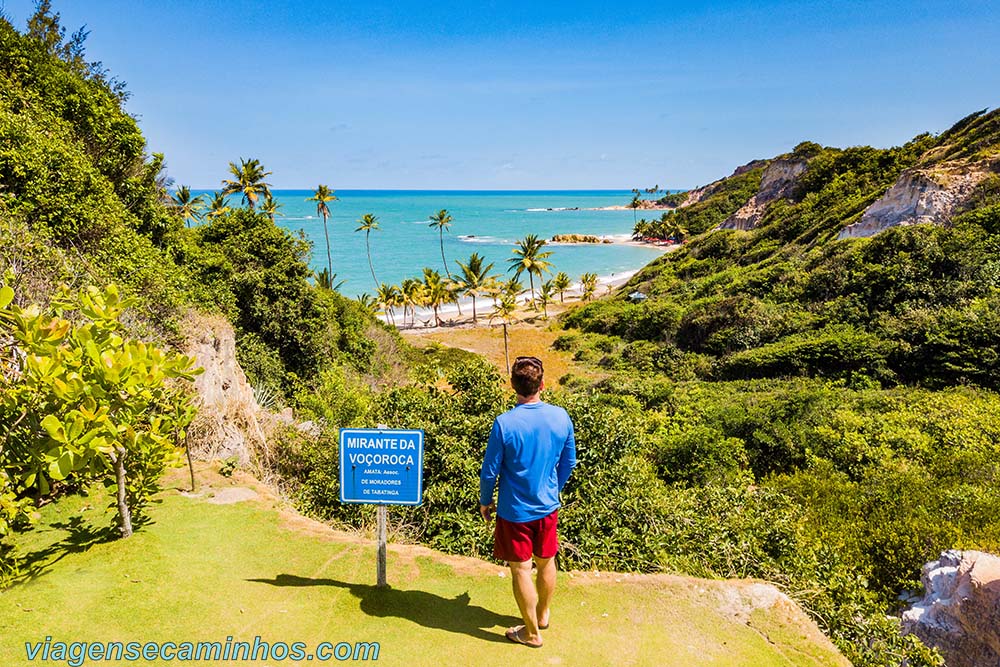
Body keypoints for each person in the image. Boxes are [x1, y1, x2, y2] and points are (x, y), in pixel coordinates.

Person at [479, 355, 577, 648]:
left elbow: (490, 472)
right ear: (543, 385)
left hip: (514, 512)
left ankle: (532, 633)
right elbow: (569, 461)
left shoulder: (504, 423)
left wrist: (485, 502)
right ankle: (543, 615)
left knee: (521, 569)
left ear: (513, 386)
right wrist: (552, 488)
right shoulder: (561, 416)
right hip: (547, 508)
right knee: (547, 562)